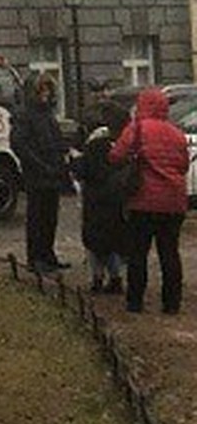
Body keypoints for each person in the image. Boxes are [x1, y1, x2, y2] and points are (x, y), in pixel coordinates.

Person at [110, 87, 190, 314]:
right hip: (174, 202)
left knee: (138, 254)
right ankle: (171, 304)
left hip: (143, 201)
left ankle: (135, 302)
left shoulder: (137, 129)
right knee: (170, 253)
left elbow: (116, 155)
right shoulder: (176, 133)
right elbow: (183, 166)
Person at [11, 73, 72, 274]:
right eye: (42, 90)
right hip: (37, 173)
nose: (46, 94)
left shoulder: (47, 114)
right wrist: (40, 165)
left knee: (50, 217)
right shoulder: (25, 115)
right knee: (37, 217)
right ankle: (36, 257)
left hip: (52, 171)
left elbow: (54, 139)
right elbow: (20, 144)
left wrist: (63, 155)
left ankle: (47, 254)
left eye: (48, 90)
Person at [72, 99, 130, 294]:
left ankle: (97, 278)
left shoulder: (93, 145)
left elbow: (82, 170)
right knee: (114, 239)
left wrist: (74, 162)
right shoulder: (119, 142)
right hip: (115, 199)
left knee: (94, 242)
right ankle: (116, 277)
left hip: (94, 199)